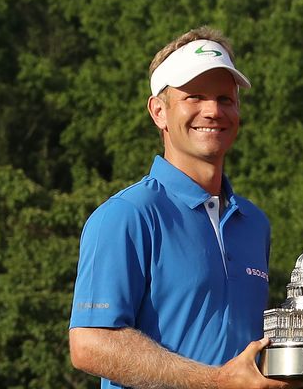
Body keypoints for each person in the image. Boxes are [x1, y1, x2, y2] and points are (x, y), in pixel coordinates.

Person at [68, 26, 288, 389]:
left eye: (225, 98)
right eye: (195, 96)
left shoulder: (254, 223)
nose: (213, 111)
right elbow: (91, 344)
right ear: (159, 111)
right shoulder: (126, 215)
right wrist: (215, 381)